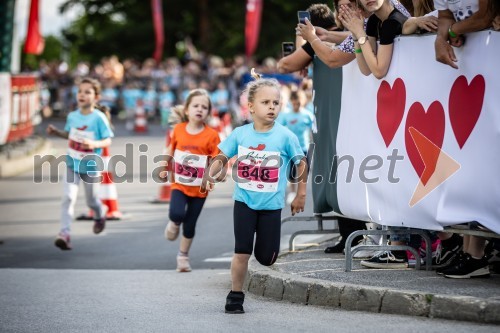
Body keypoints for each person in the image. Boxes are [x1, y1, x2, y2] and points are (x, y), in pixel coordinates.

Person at [202, 69, 308, 314]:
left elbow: (301, 162)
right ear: (250, 106)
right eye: (266, 102)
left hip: (271, 206)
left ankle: (265, 256)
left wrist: (300, 194)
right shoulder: (241, 134)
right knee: (242, 251)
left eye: (275, 102)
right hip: (244, 202)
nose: (272, 107)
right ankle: (235, 295)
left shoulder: (285, 136)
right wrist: (210, 173)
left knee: (266, 257)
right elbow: (220, 156)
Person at [46, 77, 114, 250]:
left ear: (96, 97)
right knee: (68, 197)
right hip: (72, 164)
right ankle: (64, 234)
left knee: (92, 202)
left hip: (91, 166)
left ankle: (100, 213)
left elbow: (107, 140)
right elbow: (70, 135)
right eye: (80, 91)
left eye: (87, 92)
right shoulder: (72, 116)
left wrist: (94, 144)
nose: (82, 95)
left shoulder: (98, 118)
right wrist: (57, 132)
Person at [162, 89, 221, 272]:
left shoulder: (212, 135)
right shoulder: (178, 130)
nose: (200, 109)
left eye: (204, 107)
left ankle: (183, 256)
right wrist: (164, 167)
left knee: (190, 223)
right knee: (177, 214)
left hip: (200, 188)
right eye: (196, 105)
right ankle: (173, 223)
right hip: (179, 183)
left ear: (208, 113)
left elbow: (217, 159)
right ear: (187, 110)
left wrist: (213, 175)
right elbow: (170, 151)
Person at [339, 0, 409, 79]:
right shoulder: (373, 21)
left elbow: (379, 72)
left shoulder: (392, 22)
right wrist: (355, 35)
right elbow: (366, 70)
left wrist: (360, 34)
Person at [278, 90, 313, 205]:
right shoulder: (287, 115)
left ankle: (301, 192)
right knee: (292, 173)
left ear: (302, 102)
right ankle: (292, 192)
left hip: (303, 147)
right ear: (291, 102)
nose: (296, 105)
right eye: (294, 103)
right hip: (290, 149)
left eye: (298, 103)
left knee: (304, 172)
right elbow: (279, 129)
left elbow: (314, 129)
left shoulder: (307, 114)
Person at [434, 0, 492, 69]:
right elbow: (445, 16)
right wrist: (441, 39)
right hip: (472, 51)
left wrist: (454, 30)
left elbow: (487, 15)